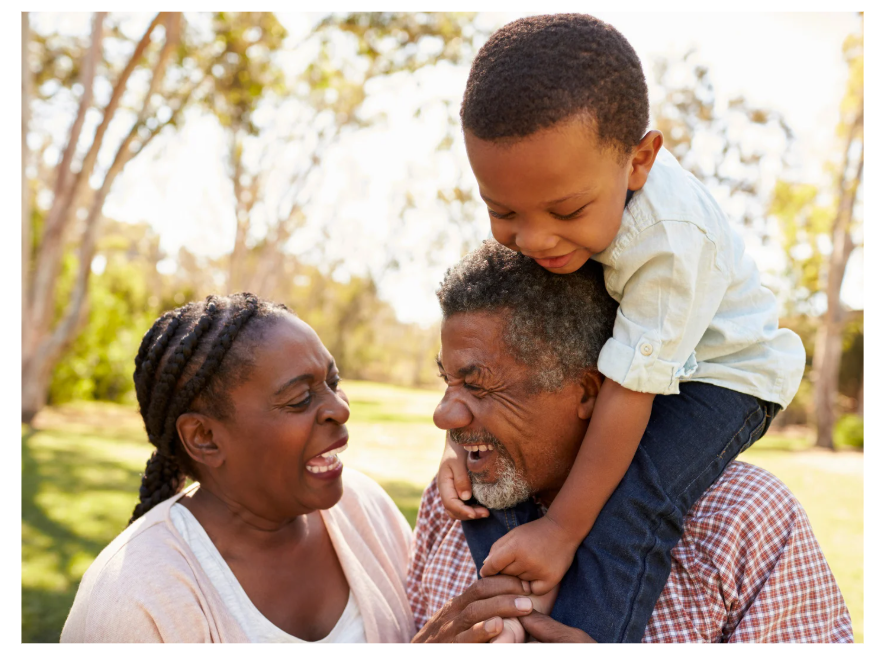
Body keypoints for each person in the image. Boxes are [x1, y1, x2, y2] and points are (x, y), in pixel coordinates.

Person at [437, 14, 807, 642]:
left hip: (725, 375)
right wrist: (462, 443)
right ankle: (516, 618)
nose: (533, 239)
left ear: (639, 161)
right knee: (498, 481)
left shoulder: (668, 244)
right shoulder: (568, 202)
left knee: (634, 500)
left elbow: (627, 396)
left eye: (566, 210)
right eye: (502, 211)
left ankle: (588, 633)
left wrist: (561, 532)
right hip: (643, 363)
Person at [411, 241, 852, 643]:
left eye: (479, 386)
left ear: (588, 391)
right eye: (446, 381)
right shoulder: (449, 500)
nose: (442, 415)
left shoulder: (746, 521)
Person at [61, 293, 416, 643]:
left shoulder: (367, 507)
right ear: (204, 437)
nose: (339, 409)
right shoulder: (132, 603)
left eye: (333, 383)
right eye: (300, 399)